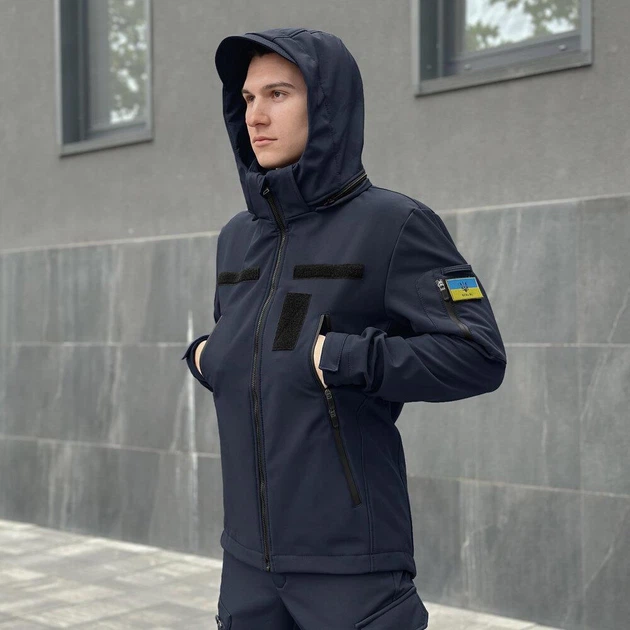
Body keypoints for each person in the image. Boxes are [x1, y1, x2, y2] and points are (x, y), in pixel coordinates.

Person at [181, 27, 507, 630]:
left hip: (351, 569)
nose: (256, 115)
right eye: (247, 98)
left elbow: (478, 354)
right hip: (248, 566)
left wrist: (344, 358)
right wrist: (208, 356)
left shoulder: (395, 224)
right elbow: (266, 352)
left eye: (278, 94)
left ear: (326, 104)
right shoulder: (236, 238)